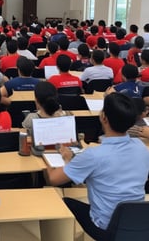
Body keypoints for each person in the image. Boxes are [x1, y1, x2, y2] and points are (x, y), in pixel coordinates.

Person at [47, 93, 149, 241]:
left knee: (64, 201)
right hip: (138, 223)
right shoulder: (141, 147)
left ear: (104, 117)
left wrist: (50, 157)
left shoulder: (93, 155)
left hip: (105, 229)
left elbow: (53, 179)